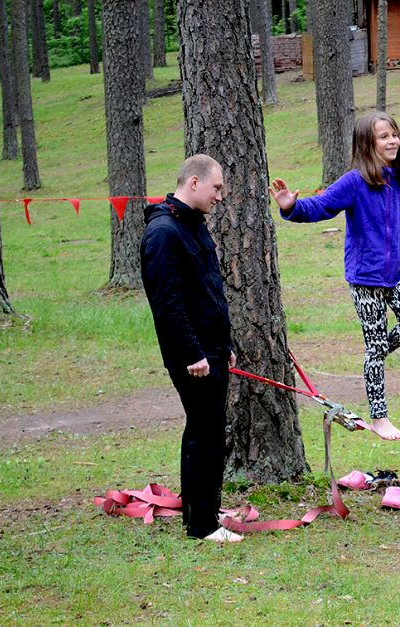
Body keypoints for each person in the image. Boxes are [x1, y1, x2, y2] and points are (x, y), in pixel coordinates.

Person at [270, 112, 400, 441]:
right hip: (365, 278)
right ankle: (380, 417)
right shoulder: (355, 182)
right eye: (383, 136)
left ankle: (375, 353)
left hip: (397, 274)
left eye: (394, 134)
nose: (392, 140)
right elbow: (321, 206)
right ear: (368, 144)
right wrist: (290, 208)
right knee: (375, 343)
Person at [140, 154, 243, 543]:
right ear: (194, 183)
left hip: (212, 350)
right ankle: (201, 526)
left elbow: (208, 293)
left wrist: (224, 344)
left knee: (211, 431)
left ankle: (204, 513)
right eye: (216, 188)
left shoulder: (194, 225)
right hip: (194, 358)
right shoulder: (164, 233)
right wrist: (192, 354)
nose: (220, 196)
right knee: (204, 433)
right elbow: (169, 305)